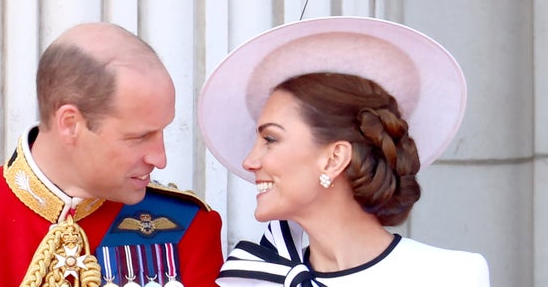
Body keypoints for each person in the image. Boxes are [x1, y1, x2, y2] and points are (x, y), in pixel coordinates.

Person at [0, 22, 223, 287]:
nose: (160, 158)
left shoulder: (185, 227)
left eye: (162, 131)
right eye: (139, 137)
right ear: (70, 124)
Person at [198, 17, 490, 286]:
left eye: (271, 139)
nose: (249, 161)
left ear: (334, 158)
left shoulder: (451, 275)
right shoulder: (252, 280)